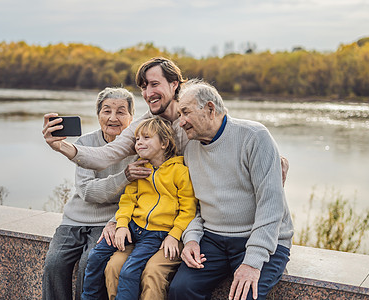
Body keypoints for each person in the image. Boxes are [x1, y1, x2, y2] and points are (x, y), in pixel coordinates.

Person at [42, 57, 289, 299]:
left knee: (155, 274)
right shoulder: (157, 129)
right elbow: (106, 156)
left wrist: (251, 259)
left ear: (174, 85)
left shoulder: (209, 126)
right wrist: (62, 148)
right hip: (200, 233)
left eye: (154, 84)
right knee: (153, 281)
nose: (148, 93)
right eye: (143, 87)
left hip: (218, 232)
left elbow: (233, 146)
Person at [168, 79, 294, 300]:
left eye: (185, 113)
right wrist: (191, 239)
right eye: (179, 115)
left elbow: (271, 206)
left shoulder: (254, 136)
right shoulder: (190, 148)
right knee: (180, 290)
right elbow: (194, 206)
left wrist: (253, 262)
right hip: (213, 239)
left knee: (245, 297)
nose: (181, 122)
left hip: (261, 239)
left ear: (210, 109)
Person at [42, 87, 144, 300]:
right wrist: (124, 176)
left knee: (90, 263)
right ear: (98, 115)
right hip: (75, 219)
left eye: (121, 112)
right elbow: (88, 192)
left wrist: (118, 220)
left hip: (109, 221)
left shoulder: (140, 145)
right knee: (54, 263)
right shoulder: (85, 144)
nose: (113, 118)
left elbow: (140, 194)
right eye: (106, 111)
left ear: (132, 117)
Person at [81, 117, 197, 300]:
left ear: (164, 143)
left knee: (129, 270)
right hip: (133, 227)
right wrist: (121, 225)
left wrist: (174, 234)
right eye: (137, 139)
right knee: (96, 256)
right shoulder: (140, 167)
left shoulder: (179, 172)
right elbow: (127, 200)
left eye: (146, 138)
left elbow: (188, 209)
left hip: (156, 233)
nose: (139, 143)